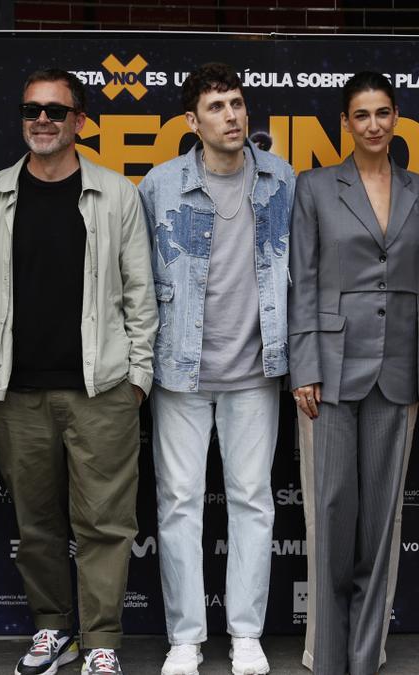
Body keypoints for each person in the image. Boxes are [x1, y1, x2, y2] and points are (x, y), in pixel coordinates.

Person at [0, 69, 156, 675]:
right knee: (36, 526)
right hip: (14, 394)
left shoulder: (116, 193)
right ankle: (52, 631)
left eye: (55, 109)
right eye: (30, 109)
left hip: (102, 392)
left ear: (79, 122)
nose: (41, 119)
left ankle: (101, 643)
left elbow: (139, 296)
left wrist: (139, 378)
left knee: (104, 524)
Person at [138, 62, 294, 675]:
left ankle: (246, 634)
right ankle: (186, 638)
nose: (232, 115)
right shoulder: (160, 185)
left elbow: (302, 273)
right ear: (191, 122)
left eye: (237, 103)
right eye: (217, 107)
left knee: (253, 500)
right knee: (178, 503)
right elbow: (140, 280)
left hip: (256, 370)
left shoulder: (282, 180)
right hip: (180, 372)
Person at [287, 71, 419, 675]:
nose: (373, 124)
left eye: (383, 113)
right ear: (345, 124)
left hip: (397, 368)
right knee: (330, 513)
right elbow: (300, 277)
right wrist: (303, 363)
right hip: (327, 369)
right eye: (361, 115)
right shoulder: (316, 187)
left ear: (396, 117)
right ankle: (326, 656)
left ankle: (365, 655)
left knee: (382, 523)